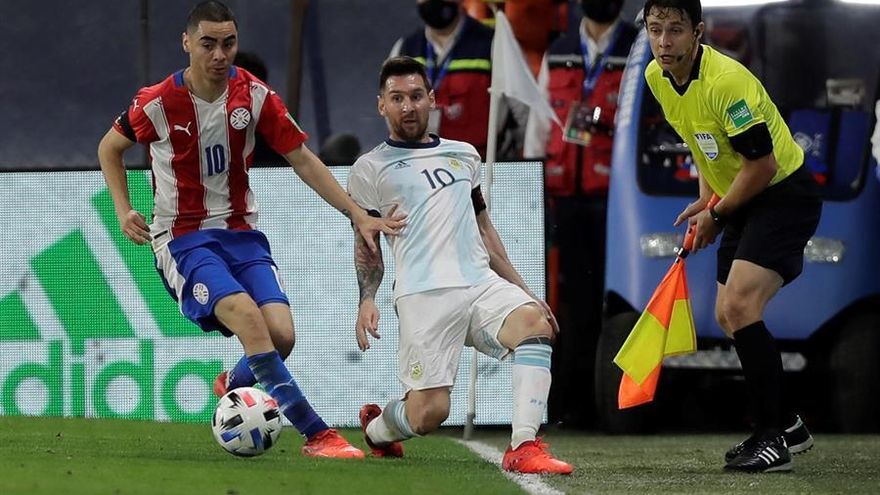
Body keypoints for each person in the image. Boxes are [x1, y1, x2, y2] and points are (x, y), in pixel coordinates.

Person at [96, 1, 404, 459]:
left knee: (282, 335)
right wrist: (123, 210)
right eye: (208, 44)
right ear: (186, 43)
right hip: (182, 239)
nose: (219, 54)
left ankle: (235, 382)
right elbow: (110, 148)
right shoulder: (157, 102)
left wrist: (357, 213)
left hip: (242, 234)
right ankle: (317, 434)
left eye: (228, 43)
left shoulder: (254, 95)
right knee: (246, 315)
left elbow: (302, 159)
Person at [347, 56, 573, 475]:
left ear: (432, 99)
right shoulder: (368, 169)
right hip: (423, 294)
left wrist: (527, 292)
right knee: (428, 414)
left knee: (534, 324)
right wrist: (367, 298)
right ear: (381, 105)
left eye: (416, 96)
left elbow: (485, 230)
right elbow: (366, 242)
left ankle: (523, 445)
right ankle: (378, 429)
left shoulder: (464, 155)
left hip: (479, 282)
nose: (408, 106)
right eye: (397, 98)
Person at [642, 0, 820, 473]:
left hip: (782, 193)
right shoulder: (657, 77)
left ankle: (771, 440)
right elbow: (701, 140)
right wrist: (707, 199)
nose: (663, 41)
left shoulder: (726, 82)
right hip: (741, 194)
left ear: (698, 32)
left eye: (675, 30)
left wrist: (717, 216)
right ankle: (788, 425)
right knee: (727, 315)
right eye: (655, 29)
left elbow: (763, 165)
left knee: (741, 306)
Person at [523, 0, 638, 427]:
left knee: (617, 302)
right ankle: (572, 405)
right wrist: (532, 182)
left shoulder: (638, 48)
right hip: (565, 197)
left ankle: (615, 403)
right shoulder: (560, 50)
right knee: (572, 303)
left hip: (621, 199)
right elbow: (540, 119)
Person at [390, 0, 517, 159]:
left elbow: (520, 106)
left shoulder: (493, 42)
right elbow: (391, 109)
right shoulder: (405, 48)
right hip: (419, 164)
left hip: (481, 165)